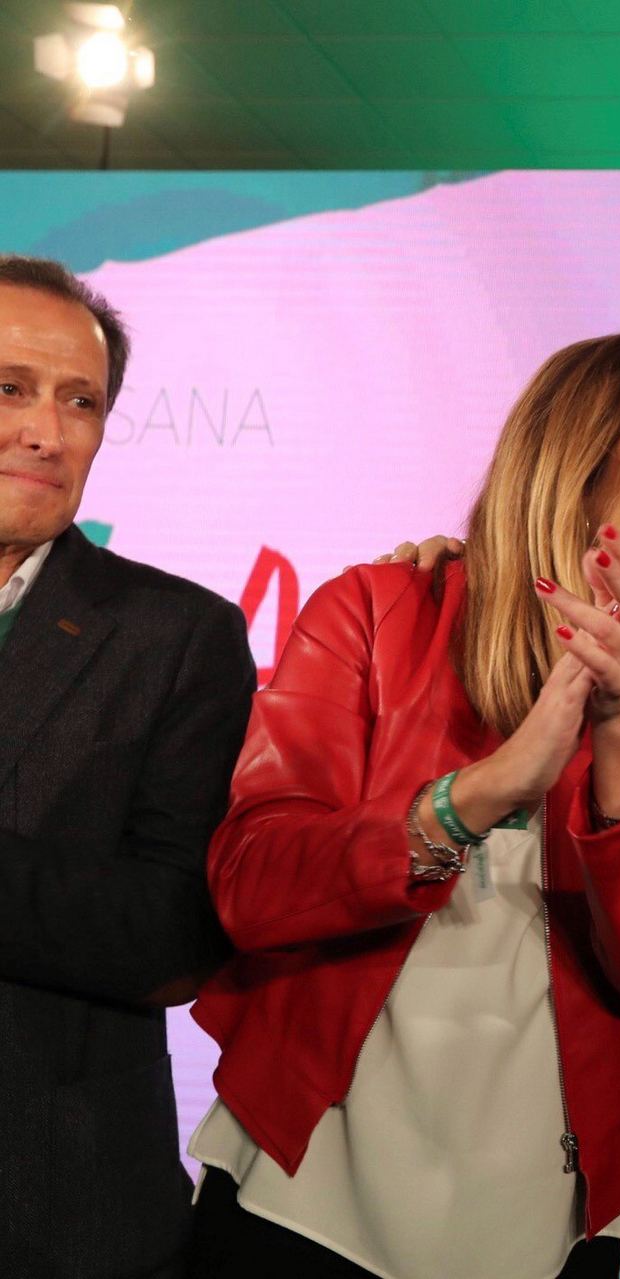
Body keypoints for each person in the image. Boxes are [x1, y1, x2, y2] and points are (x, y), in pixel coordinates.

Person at [185, 331, 620, 1279]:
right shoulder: (374, 610)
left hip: (550, 1226)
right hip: (299, 1195)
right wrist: (477, 796)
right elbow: (253, 883)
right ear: (578, 457)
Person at [0, 255, 255, 1278]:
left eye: (81, 402)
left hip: (57, 1206)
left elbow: (171, 931)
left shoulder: (177, 634)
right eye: (9, 388)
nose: (46, 431)